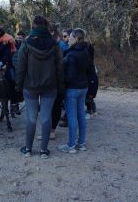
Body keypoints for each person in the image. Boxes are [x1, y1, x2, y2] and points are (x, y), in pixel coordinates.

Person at [16, 15, 64, 159]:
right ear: (46, 26)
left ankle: (28, 149)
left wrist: (18, 86)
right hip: (50, 86)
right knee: (46, 116)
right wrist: (61, 86)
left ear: (33, 26)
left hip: (30, 86)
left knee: (31, 117)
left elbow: (20, 67)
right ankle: (44, 150)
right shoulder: (55, 44)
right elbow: (60, 67)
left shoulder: (26, 44)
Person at [57, 28, 94, 154]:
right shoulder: (86, 51)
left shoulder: (72, 54)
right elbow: (90, 71)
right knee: (81, 116)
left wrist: (63, 85)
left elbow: (70, 75)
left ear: (76, 38)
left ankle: (71, 145)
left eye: (70, 37)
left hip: (72, 89)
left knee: (72, 117)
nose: (68, 40)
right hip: (83, 87)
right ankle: (81, 143)